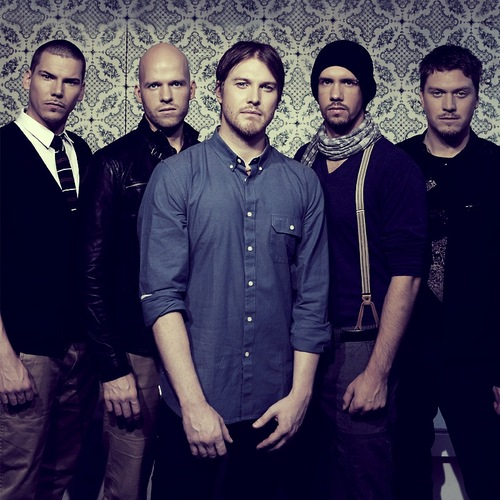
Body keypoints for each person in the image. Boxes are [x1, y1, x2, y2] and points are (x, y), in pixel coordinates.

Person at [137, 40, 330, 500]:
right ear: (218, 90)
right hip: (197, 406)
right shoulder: (175, 177)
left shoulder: (303, 183)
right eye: (242, 84)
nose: (254, 97)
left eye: (267, 87)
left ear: (279, 97)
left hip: (275, 412)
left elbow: (313, 300)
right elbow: (161, 298)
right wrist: (192, 405)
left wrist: (300, 398)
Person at [294, 40, 427, 499]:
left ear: (365, 91)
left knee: (361, 476)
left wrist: (377, 372)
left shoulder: (394, 168)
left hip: (359, 344)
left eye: (348, 82)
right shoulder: (303, 160)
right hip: (304, 342)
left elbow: (409, 276)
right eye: (326, 82)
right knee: (307, 475)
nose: (335, 93)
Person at [80, 42, 198, 500]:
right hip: (136, 352)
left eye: (175, 84)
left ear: (192, 89)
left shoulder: (210, 157)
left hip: (198, 350)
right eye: (154, 85)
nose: (166, 95)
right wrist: (112, 369)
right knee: (126, 485)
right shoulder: (113, 163)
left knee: (187, 480)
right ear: (138, 93)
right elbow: (90, 274)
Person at [392, 44, 500, 500]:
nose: (449, 105)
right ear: (421, 95)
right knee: (404, 480)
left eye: (461, 93)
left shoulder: (495, 167)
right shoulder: (396, 164)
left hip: (478, 358)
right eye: (438, 93)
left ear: (478, 95)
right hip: (407, 353)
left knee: (490, 477)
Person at [0, 40, 98, 499]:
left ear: (81, 90)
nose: (58, 90)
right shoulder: (3, 150)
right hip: (24, 351)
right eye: (47, 77)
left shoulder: (83, 153)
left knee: (63, 475)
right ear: (27, 79)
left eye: (70, 81)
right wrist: (4, 359)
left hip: (78, 351)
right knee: (17, 476)